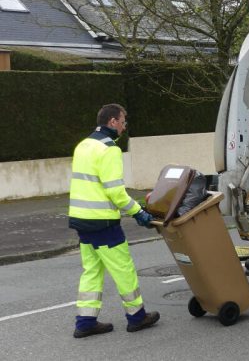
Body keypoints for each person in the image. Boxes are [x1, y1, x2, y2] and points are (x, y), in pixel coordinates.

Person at [68, 103, 160, 338]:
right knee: (124, 269)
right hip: (103, 223)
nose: (124, 126)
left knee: (92, 271)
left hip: (81, 219)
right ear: (112, 122)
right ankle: (137, 317)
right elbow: (115, 192)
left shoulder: (83, 145)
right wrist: (138, 212)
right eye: (123, 121)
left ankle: (85, 322)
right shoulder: (109, 149)